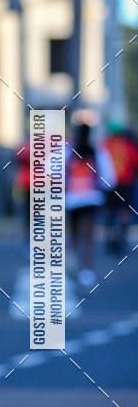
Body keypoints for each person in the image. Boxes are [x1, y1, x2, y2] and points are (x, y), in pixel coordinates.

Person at [65, 122, 116, 289]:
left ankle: (71, 263)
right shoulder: (98, 152)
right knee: (88, 237)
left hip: (72, 199)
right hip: (91, 198)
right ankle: (86, 272)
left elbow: (50, 170)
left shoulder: (67, 151)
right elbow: (109, 178)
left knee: (73, 234)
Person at [102, 123, 138, 253]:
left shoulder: (105, 145)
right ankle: (122, 237)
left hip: (109, 183)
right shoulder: (129, 146)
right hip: (126, 183)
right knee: (125, 211)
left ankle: (109, 238)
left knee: (109, 211)